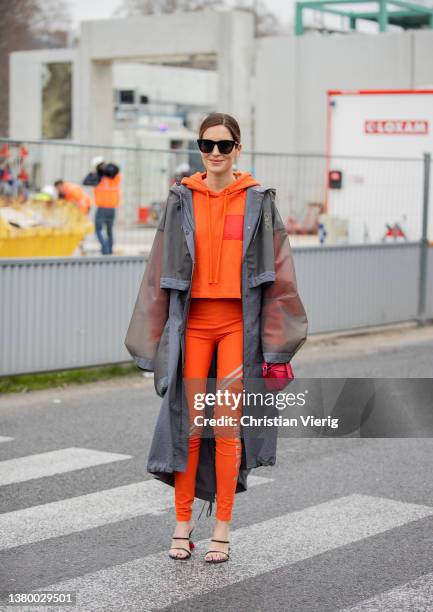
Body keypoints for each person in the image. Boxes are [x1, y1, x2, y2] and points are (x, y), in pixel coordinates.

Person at [124, 112, 308, 564]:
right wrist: (152, 336)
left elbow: (280, 275)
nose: (216, 153)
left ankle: (222, 528)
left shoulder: (259, 200)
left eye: (225, 145)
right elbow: (157, 272)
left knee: (228, 428)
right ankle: (182, 526)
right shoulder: (180, 198)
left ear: (238, 149)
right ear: (199, 148)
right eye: (207, 145)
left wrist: (277, 342)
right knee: (188, 426)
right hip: (193, 326)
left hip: (237, 328)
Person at [83, 156, 121, 255]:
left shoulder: (98, 177)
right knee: (109, 230)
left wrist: (94, 173)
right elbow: (115, 169)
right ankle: (110, 250)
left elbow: (85, 181)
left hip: (102, 208)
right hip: (112, 208)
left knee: (98, 229)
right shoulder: (115, 176)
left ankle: (105, 249)